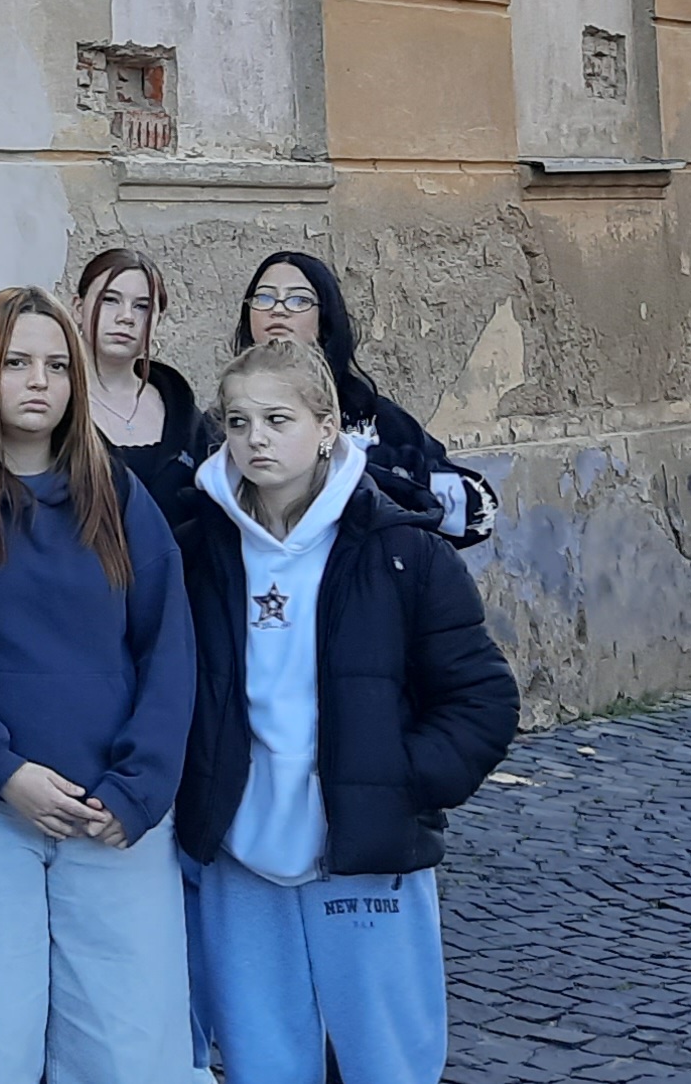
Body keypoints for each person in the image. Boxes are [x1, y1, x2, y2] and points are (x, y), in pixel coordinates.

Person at [175, 338, 518, 1084]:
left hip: (361, 855)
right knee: (263, 1062)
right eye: (238, 422)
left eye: (278, 419)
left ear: (326, 427)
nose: (256, 439)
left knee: (387, 1061)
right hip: (241, 854)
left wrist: (393, 784)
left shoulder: (402, 553)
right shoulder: (197, 551)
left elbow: (482, 699)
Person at [0, 287, 195, 1084]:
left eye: (57, 366)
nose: (39, 382)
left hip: (108, 812)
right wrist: (1, 770)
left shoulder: (115, 493)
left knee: (127, 1057)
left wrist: (138, 787)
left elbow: (167, 647)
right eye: (17, 363)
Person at [233, 253, 499, 548]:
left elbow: (477, 515)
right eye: (265, 298)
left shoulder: (373, 422)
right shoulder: (224, 425)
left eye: (298, 300)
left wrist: (369, 479)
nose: (278, 310)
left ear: (324, 320)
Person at [76, 248, 213, 525]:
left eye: (142, 306)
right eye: (110, 300)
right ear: (79, 309)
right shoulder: (57, 404)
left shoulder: (181, 410)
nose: (126, 317)